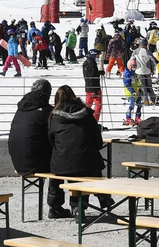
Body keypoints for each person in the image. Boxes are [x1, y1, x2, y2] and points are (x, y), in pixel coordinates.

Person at [47, 85, 113, 218]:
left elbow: (51, 140)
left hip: (61, 162)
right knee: (89, 162)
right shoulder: (86, 114)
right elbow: (98, 140)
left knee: (58, 169)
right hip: (85, 162)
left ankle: (55, 206)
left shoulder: (53, 117)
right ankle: (96, 199)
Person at [8, 79, 67, 218]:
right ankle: (55, 207)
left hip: (17, 160)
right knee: (59, 164)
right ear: (47, 93)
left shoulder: (21, 108)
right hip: (33, 163)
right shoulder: (47, 111)